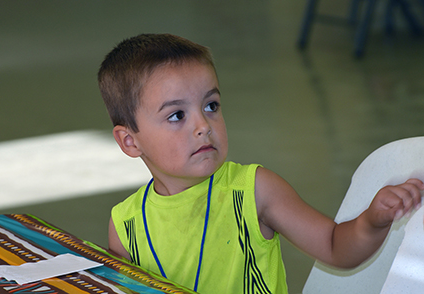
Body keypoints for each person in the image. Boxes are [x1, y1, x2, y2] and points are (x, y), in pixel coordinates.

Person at [97, 33, 424, 294]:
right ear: (130, 141)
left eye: (211, 105)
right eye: (177, 115)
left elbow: (336, 247)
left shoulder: (255, 190)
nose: (203, 125)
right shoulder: (125, 225)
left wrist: (372, 221)